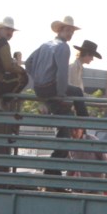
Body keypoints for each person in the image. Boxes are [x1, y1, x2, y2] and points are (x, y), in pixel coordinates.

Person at [25, 15, 81, 175]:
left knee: (64, 129)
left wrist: (38, 78)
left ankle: (52, 173)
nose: (70, 33)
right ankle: (84, 122)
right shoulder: (63, 47)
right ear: (61, 30)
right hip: (52, 89)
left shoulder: (45, 45)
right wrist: (61, 94)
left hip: (41, 89)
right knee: (66, 129)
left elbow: (28, 62)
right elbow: (62, 74)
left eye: (72, 31)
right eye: (68, 30)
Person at [68, 40, 102, 117]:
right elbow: (73, 90)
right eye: (92, 56)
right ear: (86, 54)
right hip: (68, 107)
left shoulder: (78, 68)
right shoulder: (74, 67)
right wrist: (95, 100)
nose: (92, 59)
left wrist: (95, 100)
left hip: (72, 107)